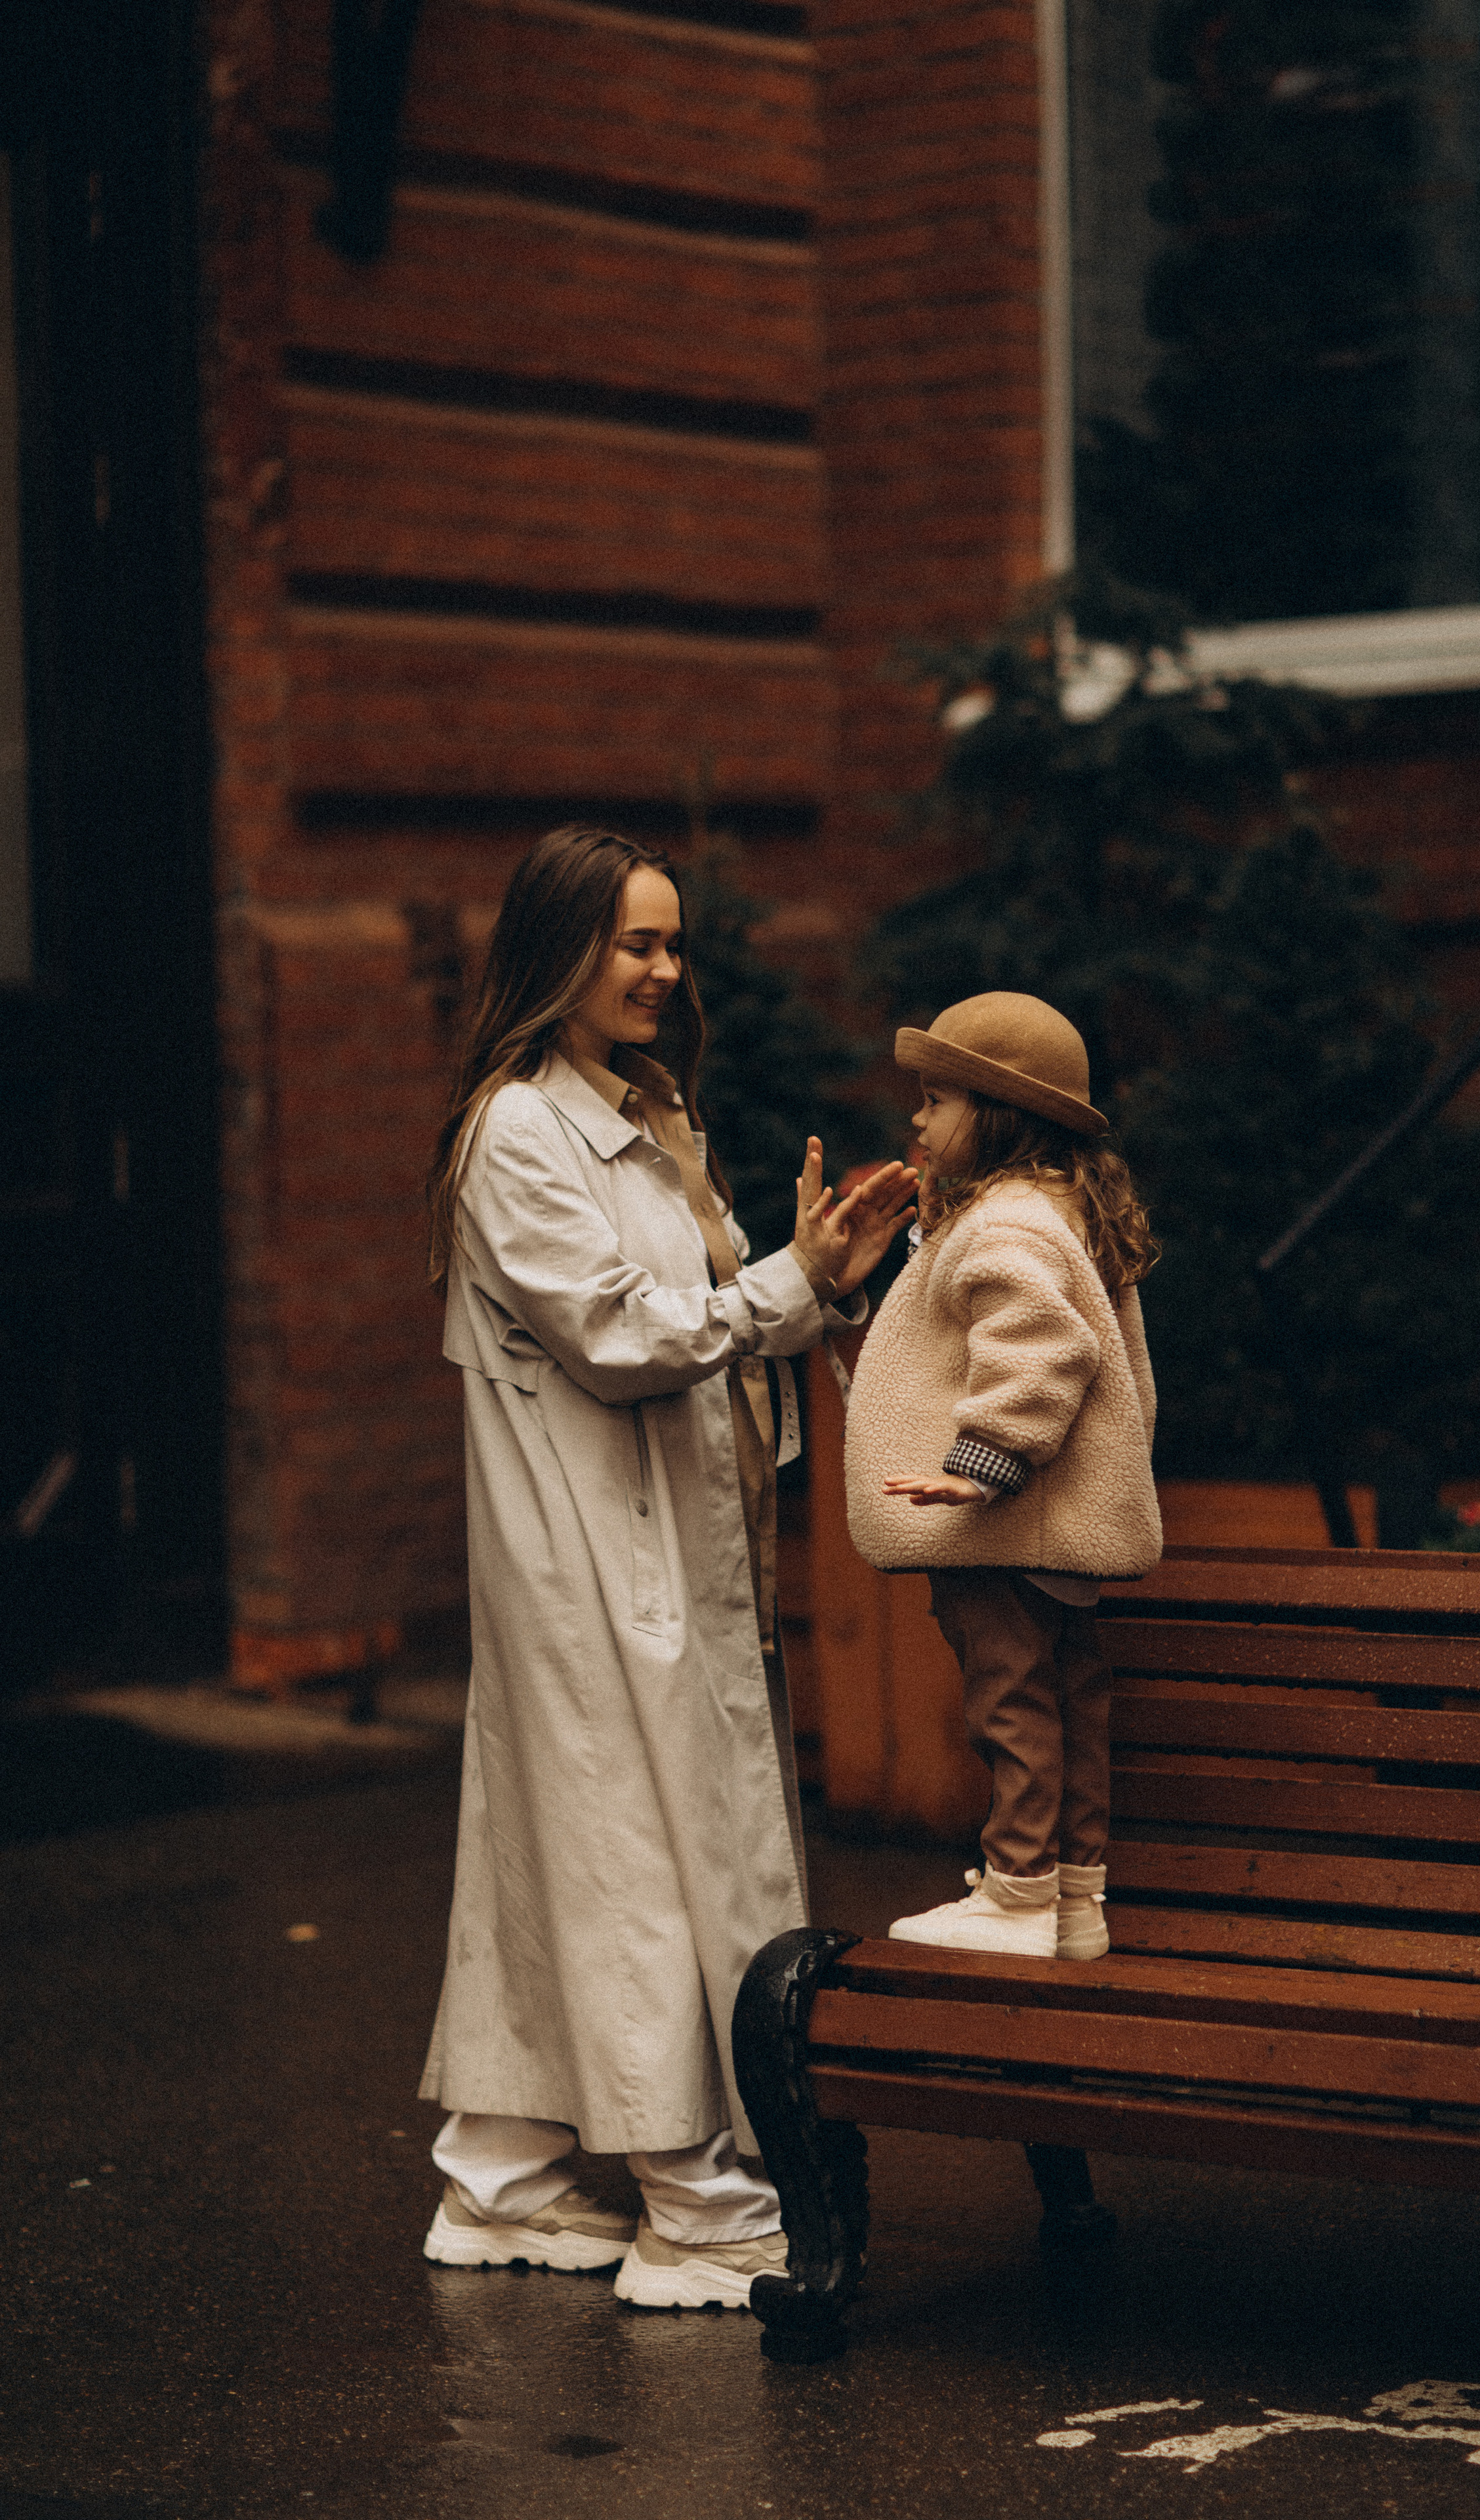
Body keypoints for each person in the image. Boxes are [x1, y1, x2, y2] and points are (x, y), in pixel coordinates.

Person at [417, 826, 915, 2309]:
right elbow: (622, 1336)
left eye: (672, 943)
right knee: (636, 1859)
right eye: (634, 942)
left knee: (553, 1847)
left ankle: (495, 2177)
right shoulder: (520, 1130)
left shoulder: (637, 1109)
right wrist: (784, 1285)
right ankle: (694, 2205)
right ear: (559, 948)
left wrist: (802, 1276)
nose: (662, 969)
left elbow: (696, 1311)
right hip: (586, 1556)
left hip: (640, 1544)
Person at [844, 992, 1162, 1960]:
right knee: (1068, 1697)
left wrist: (982, 1465)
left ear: (999, 1115)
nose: (918, 1121)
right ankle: (1073, 1896)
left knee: (1009, 1700)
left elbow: (1040, 1349)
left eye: (937, 1100)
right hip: (1053, 1524)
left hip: (1011, 1523)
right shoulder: (1059, 1213)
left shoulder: (1006, 1227)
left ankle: (1019, 1891)